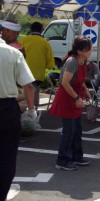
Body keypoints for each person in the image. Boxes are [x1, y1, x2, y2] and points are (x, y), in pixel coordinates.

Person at [0, 37, 36, 201]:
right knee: (6, 156)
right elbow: (28, 85)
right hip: (6, 108)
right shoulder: (13, 53)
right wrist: (31, 108)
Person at [48, 36, 92, 171]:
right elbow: (64, 82)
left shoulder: (82, 60)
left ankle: (76, 156)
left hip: (75, 97)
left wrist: (85, 89)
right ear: (79, 51)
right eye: (88, 49)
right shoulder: (72, 61)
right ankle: (62, 160)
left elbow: (80, 79)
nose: (90, 51)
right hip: (67, 98)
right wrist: (77, 98)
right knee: (69, 131)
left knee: (77, 129)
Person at [20, 21, 55, 108]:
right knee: (35, 95)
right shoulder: (45, 43)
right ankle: (33, 114)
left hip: (24, 74)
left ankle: (26, 114)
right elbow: (51, 64)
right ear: (41, 30)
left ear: (30, 29)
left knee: (25, 95)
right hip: (38, 75)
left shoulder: (23, 40)